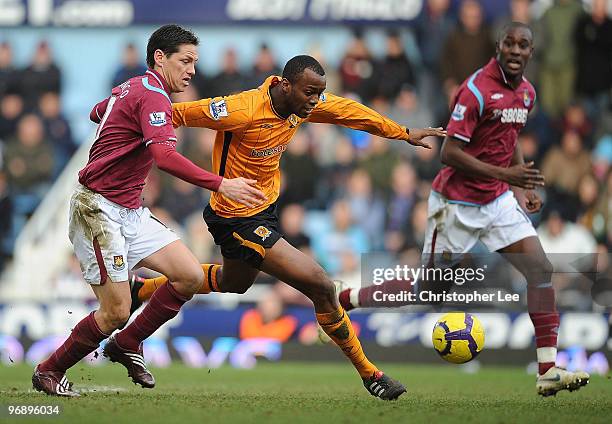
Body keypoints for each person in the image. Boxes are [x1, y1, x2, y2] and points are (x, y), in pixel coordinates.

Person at [130, 54, 446, 400]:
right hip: (235, 217)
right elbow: (175, 114)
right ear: (284, 85)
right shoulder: (241, 108)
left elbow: (350, 112)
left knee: (232, 282)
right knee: (322, 285)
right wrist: (120, 113)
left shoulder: (302, 104)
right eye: (309, 92)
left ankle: (141, 290)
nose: (314, 101)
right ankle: (371, 374)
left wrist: (402, 133)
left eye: (318, 93)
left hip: (263, 211)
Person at [335, 23, 590, 397]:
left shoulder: (527, 93)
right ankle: (344, 299)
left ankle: (548, 369)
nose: (517, 50)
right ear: (498, 46)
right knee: (429, 291)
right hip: (455, 206)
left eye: (524, 45)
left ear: (532, 52)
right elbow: (449, 153)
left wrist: (517, 184)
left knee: (541, 269)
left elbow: (510, 135)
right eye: (510, 43)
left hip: (498, 200)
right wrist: (509, 174)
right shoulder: (474, 91)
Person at [31, 24, 265, 397]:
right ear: (160, 58)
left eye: (195, 62)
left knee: (188, 276)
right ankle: (49, 370)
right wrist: (223, 184)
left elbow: (97, 112)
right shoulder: (153, 96)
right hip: (97, 209)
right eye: (185, 61)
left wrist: (119, 107)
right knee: (116, 312)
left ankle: (127, 344)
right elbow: (165, 157)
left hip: (130, 209)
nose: (192, 70)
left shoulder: (134, 88)